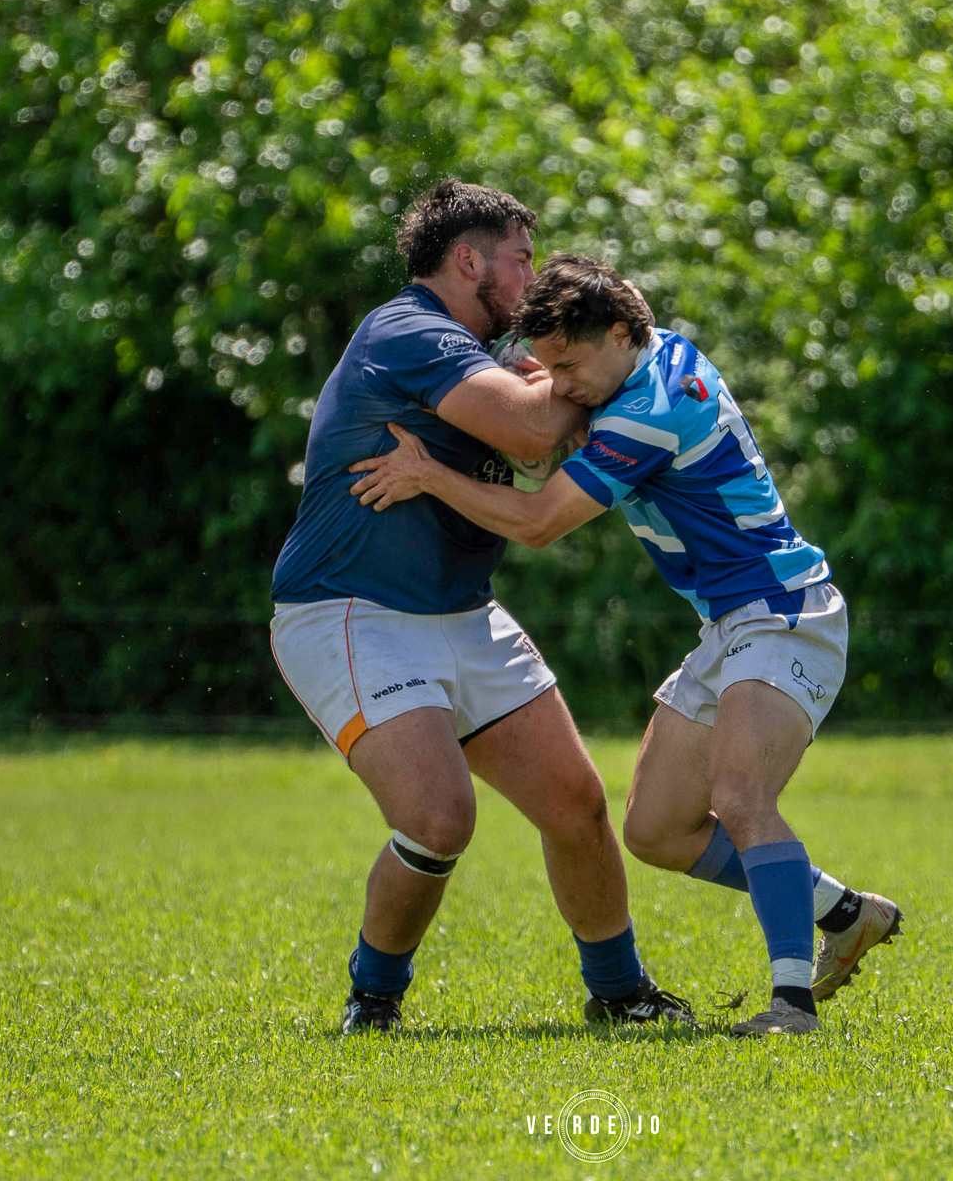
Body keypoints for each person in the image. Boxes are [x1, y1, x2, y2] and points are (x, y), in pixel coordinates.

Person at [348, 253, 902, 1037]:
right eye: (548, 367)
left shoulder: (649, 409)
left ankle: (792, 1006)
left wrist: (427, 473)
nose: (560, 385)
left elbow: (540, 521)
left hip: (786, 612)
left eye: (569, 367)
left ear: (617, 335)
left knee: (741, 798)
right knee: (655, 830)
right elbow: (575, 364)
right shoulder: (645, 348)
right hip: (731, 625)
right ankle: (842, 913)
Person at [270, 183, 694, 1033]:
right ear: (469, 261)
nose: (531, 277)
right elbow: (538, 434)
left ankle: (620, 995)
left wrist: (561, 375)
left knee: (576, 804)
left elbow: (548, 424)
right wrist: (600, 368)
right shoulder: (410, 333)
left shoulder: (485, 351)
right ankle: (372, 1001)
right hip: (349, 612)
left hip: (460, 613)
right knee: (439, 817)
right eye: (520, 259)